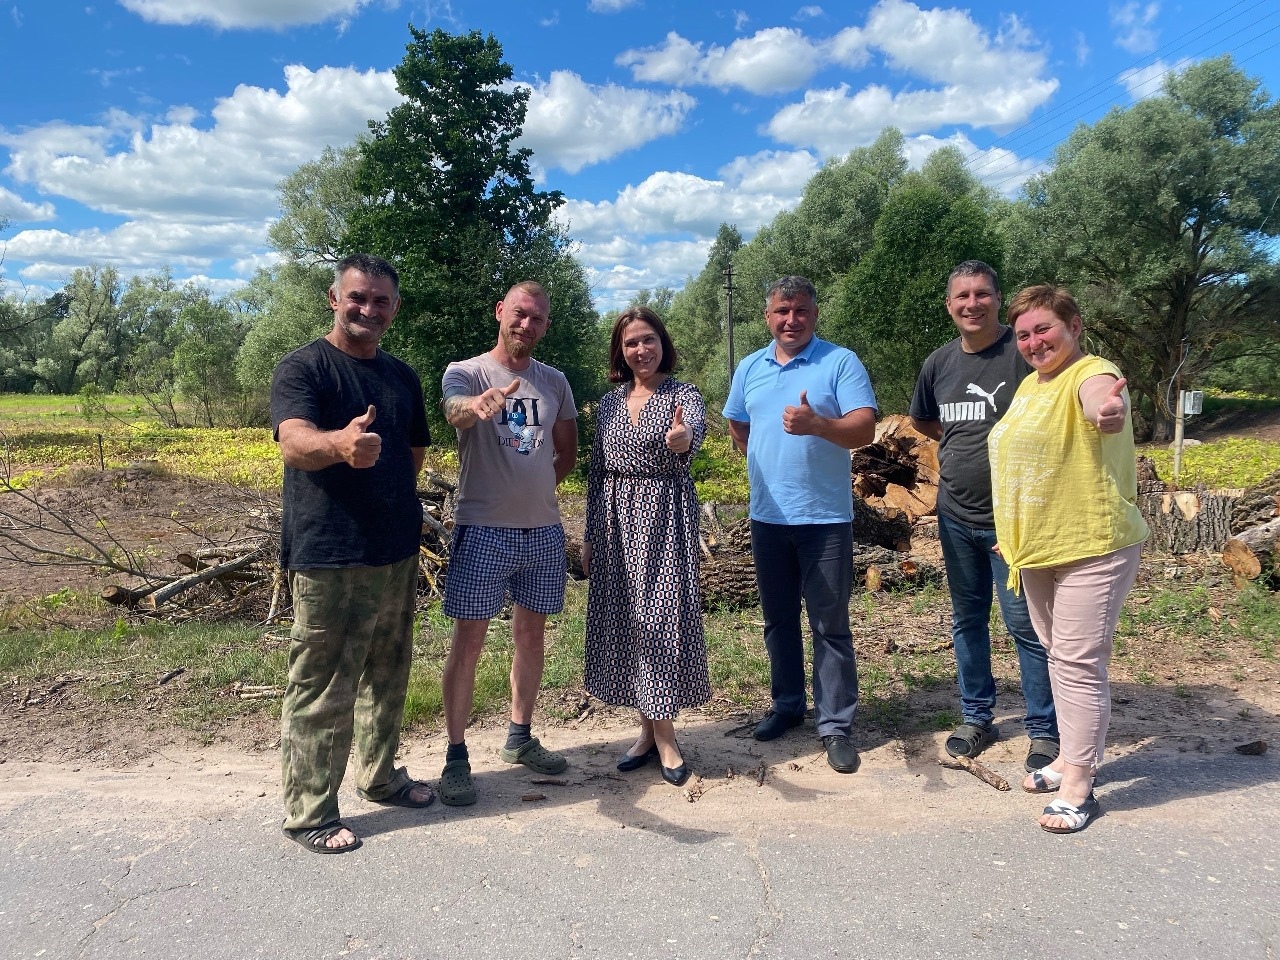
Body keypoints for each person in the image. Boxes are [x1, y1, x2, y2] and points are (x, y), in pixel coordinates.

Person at [271, 253, 435, 855]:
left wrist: (383, 482)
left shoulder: (401, 376)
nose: (369, 309)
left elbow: (413, 451)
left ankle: (382, 777)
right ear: (334, 299)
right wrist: (339, 445)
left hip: (393, 548)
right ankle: (310, 812)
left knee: (388, 674)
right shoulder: (304, 368)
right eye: (358, 298)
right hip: (330, 553)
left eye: (381, 300)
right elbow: (293, 441)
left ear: (394, 308)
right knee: (322, 684)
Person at [988, 284, 1148, 834]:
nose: (1034, 342)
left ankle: (1080, 781)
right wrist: (1012, 531)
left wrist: (1110, 412)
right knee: (1059, 655)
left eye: (1044, 329)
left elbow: (1104, 402)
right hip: (1036, 548)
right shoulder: (1033, 384)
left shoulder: (1090, 373)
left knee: (1078, 662)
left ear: (1074, 326)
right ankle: (1066, 757)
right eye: (1025, 334)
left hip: (1092, 542)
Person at [723, 276, 877, 773]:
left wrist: (818, 427)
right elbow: (737, 421)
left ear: (814, 313)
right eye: (782, 311)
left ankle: (834, 725)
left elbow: (865, 428)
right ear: (767, 315)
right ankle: (788, 707)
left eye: (801, 311)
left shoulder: (840, 362)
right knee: (779, 621)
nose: (792, 320)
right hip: (767, 518)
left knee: (830, 625)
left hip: (825, 519)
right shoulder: (750, 366)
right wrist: (763, 458)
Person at [910, 261, 1060, 773]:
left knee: (1026, 624)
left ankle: (1044, 728)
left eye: (981, 294)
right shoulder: (939, 364)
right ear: (949, 305)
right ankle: (977, 717)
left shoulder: (1022, 355)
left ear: (998, 298)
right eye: (962, 296)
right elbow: (925, 420)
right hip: (954, 515)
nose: (972, 304)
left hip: (1013, 521)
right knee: (967, 620)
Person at [438, 281, 579, 806]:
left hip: (541, 530)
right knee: (468, 641)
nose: (527, 325)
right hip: (482, 528)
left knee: (531, 637)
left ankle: (519, 738)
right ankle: (456, 757)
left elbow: (565, 453)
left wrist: (533, 491)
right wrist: (477, 406)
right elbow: (454, 410)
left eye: (538, 319)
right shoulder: (468, 371)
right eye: (519, 314)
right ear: (500, 312)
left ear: (545, 326)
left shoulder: (555, 381)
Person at [581, 307, 711, 788]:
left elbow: (689, 436)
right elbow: (596, 472)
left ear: (663, 343)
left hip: (664, 514)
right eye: (632, 342)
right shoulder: (610, 402)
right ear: (621, 350)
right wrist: (592, 534)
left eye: (649, 340)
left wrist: (680, 439)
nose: (641, 350)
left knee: (659, 622)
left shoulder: (684, 395)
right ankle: (647, 732)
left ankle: (667, 737)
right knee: (628, 622)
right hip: (615, 520)